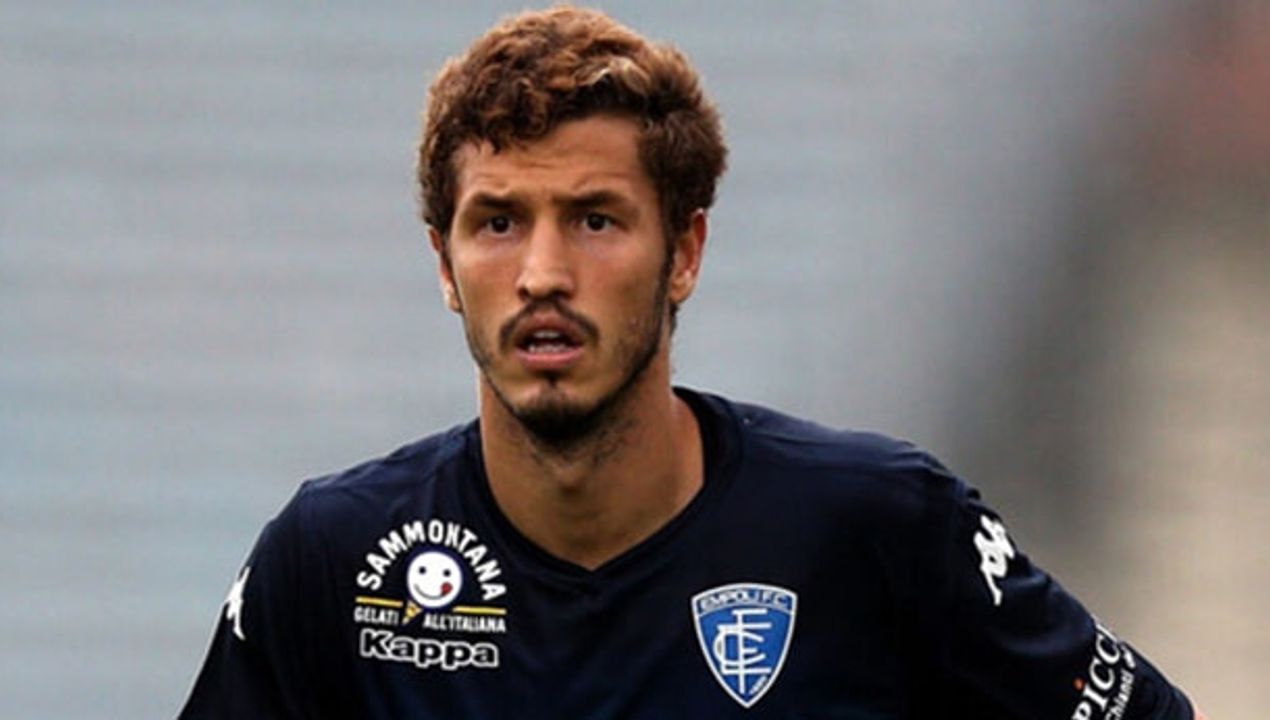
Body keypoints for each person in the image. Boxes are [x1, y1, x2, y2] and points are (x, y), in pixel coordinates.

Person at [179, 7, 1204, 719]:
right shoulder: (334, 564)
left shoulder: (878, 527)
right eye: (497, 222)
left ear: (685, 252)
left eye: (595, 219)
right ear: (445, 265)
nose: (542, 274)